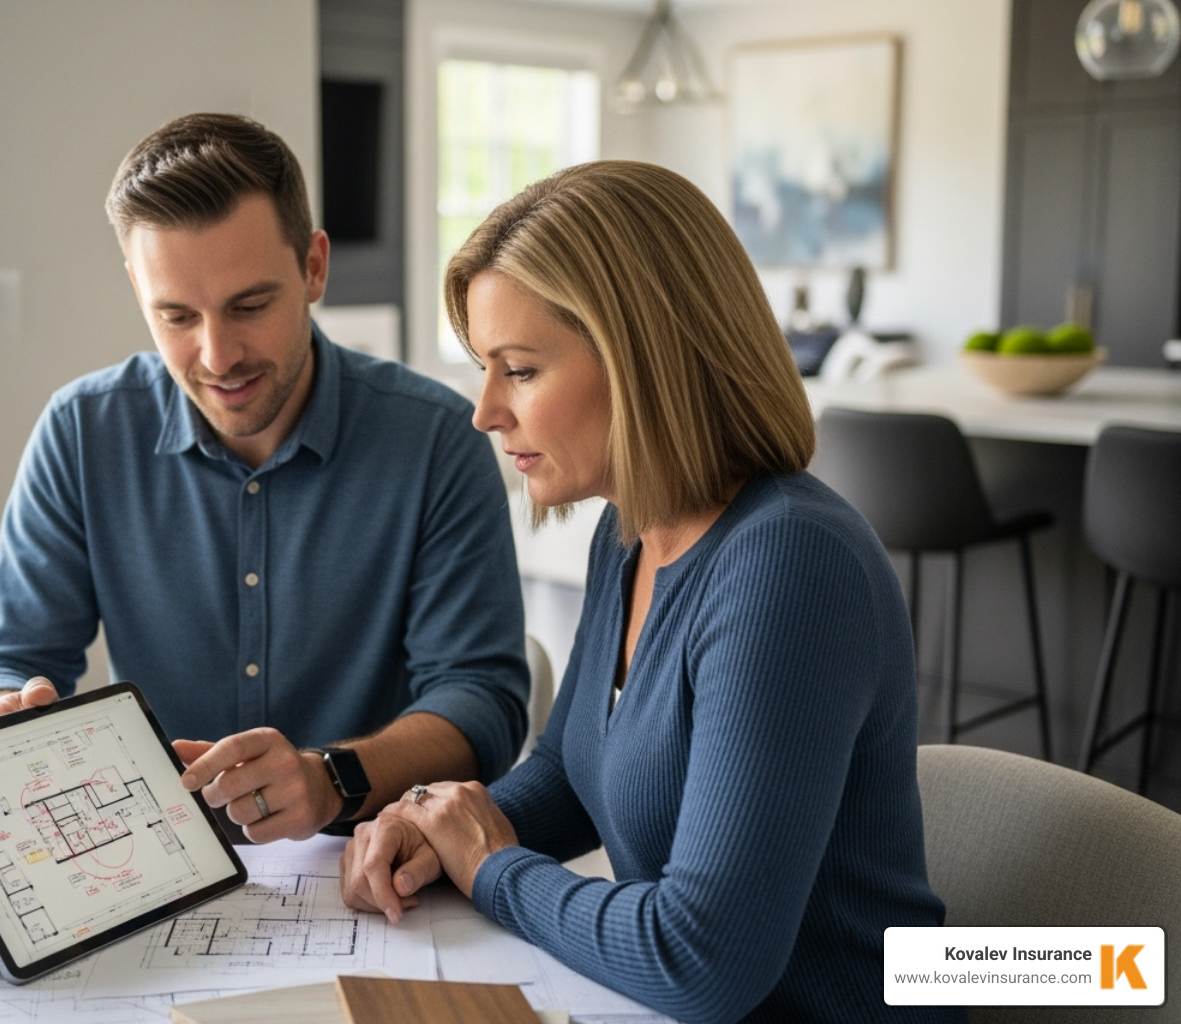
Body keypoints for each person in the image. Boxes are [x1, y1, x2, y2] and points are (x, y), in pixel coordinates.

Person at [339, 161, 961, 1024]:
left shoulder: (789, 564)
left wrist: (491, 868)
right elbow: (571, 770)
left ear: (641, 360)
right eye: (485, 367)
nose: (484, 411)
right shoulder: (628, 530)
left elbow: (702, 959)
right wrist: (436, 824)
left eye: (519, 370)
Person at [0, 113, 528, 845]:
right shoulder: (82, 431)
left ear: (313, 267)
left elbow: (482, 700)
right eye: (176, 316)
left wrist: (331, 779)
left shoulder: (438, 440)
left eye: (249, 306)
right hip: (153, 858)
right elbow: (2, 662)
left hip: (364, 857)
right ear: (137, 290)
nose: (218, 356)